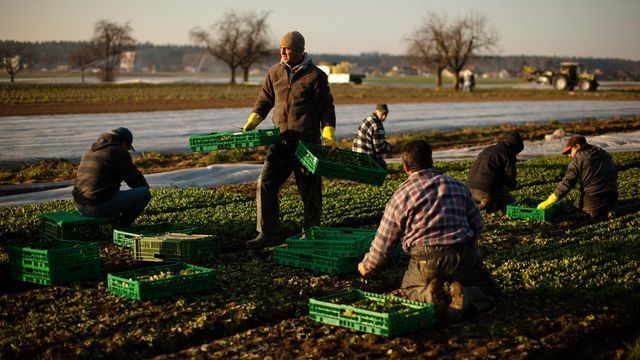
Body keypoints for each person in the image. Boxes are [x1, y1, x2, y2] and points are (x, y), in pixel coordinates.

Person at [358, 140, 497, 321]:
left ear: (405, 167)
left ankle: (427, 296)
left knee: (408, 290)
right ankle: (466, 295)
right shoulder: (456, 185)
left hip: (426, 261)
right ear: (431, 161)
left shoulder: (402, 195)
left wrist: (367, 266)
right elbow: (477, 224)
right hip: (461, 254)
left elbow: (384, 241)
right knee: (487, 289)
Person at [241, 31, 337, 249]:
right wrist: (254, 118)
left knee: (309, 192)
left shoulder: (315, 76)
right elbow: (265, 99)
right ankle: (267, 233)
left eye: (288, 48)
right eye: (281, 47)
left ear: (300, 50)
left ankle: (310, 235)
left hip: (307, 143)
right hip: (281, 141)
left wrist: (328, 131)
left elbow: (326, 107)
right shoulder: (275, 72)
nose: (283, 52)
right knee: (266, 183)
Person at [72, 127, 151, 228]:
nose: (127, 151)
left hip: (79, 205)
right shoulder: (118, 151)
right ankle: (123, 227)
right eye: (128, 148)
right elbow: (135, 181)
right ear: (124, 143)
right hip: (95, 208)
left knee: (112, 194)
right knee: (144, 193)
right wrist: (145, 187)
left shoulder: (92, 150)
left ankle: (114, 221)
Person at [537, 135, 617, 220]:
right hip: (613, 197)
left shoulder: (578, 160)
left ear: (578, 146)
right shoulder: (603, 153)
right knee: (583, 202)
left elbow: (567, 183)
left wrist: (550, 200)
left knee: (575, 208)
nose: (570, 155)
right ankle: (607, 211)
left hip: (594, 198)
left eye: (570, 151)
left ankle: (598, 214)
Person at [467, 132, 524, 212]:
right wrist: (512, 186)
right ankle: (487, 202)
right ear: (516, 147)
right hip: (485, 189)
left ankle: (481, 202)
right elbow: (510, 175)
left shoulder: (488, 149)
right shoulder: (508, 153)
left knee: (493, 191)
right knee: (511, 203)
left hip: (470, 188)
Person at [352, 104, 393, 169]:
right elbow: (379, 148)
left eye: (386, 114)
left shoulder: (367, 119)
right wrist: (392, 149)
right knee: (383, 167)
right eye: (382, 114)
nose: (384, 117)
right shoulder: (377, 125)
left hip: (356, 155)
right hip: (366, 158)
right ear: (376, 111)